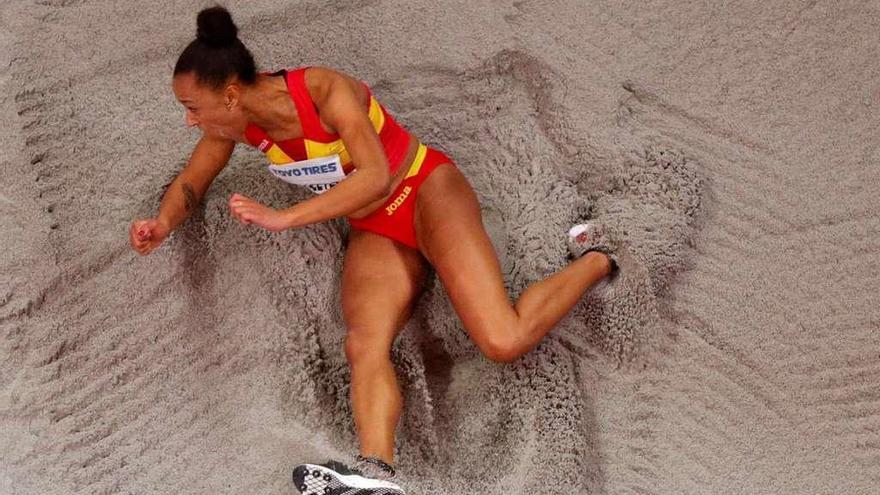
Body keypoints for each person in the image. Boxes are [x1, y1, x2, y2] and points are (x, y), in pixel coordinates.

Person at [129, 6, 619, 495]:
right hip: (375, 225)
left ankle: (600, 257)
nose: (190, 121)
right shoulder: (230, 128)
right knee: (363, 342)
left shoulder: (323, 90)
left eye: (191, 107)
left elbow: (376, 175)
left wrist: (287, 217)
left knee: (502, 341)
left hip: (426, 190)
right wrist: (162, 223)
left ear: (230, 94)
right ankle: (377, 476)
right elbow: (192, 182)